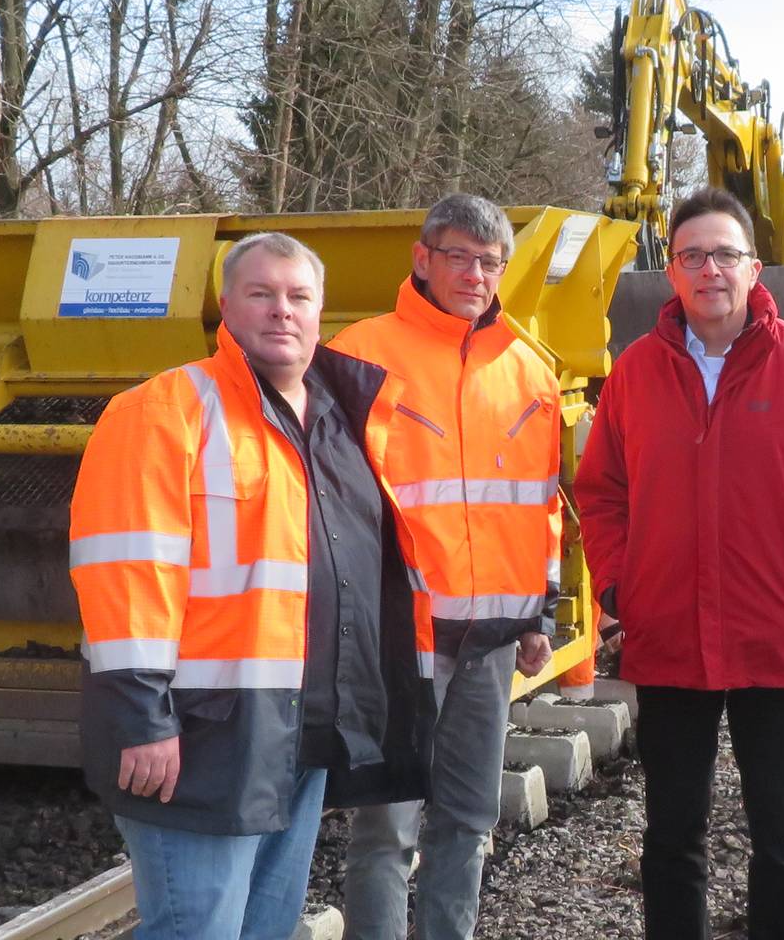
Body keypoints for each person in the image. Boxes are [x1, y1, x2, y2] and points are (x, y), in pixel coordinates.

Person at [68, 232, 436, 940]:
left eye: (298, 296)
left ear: (320, 310)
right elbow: (126, 576)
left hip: (296, 735)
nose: (281, 311)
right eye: (261, 294)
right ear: (226, 307)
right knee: (197, 931)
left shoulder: (339, 422)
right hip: (200, 735)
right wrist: (143, 720)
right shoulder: (163, 412)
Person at [578, 188, 784, 940]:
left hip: (777, 639)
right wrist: (621, 588)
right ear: (672, 273)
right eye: (692, 256)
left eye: (724, 254)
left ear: (754, 268)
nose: (708, 268)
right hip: (669, 637)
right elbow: (601, 493)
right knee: (672, 833)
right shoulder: (636, 373)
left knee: (782, 835)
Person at [331, 194, 563, 940]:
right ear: (422, 258)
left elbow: (541, 505)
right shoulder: (359, 356)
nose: (475, 274)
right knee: (386, 830)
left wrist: (537, 614)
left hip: (491, 641)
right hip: (403, 638)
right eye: (459, 256)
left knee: (468, 818)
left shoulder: (531, 369)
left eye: (490, 262)